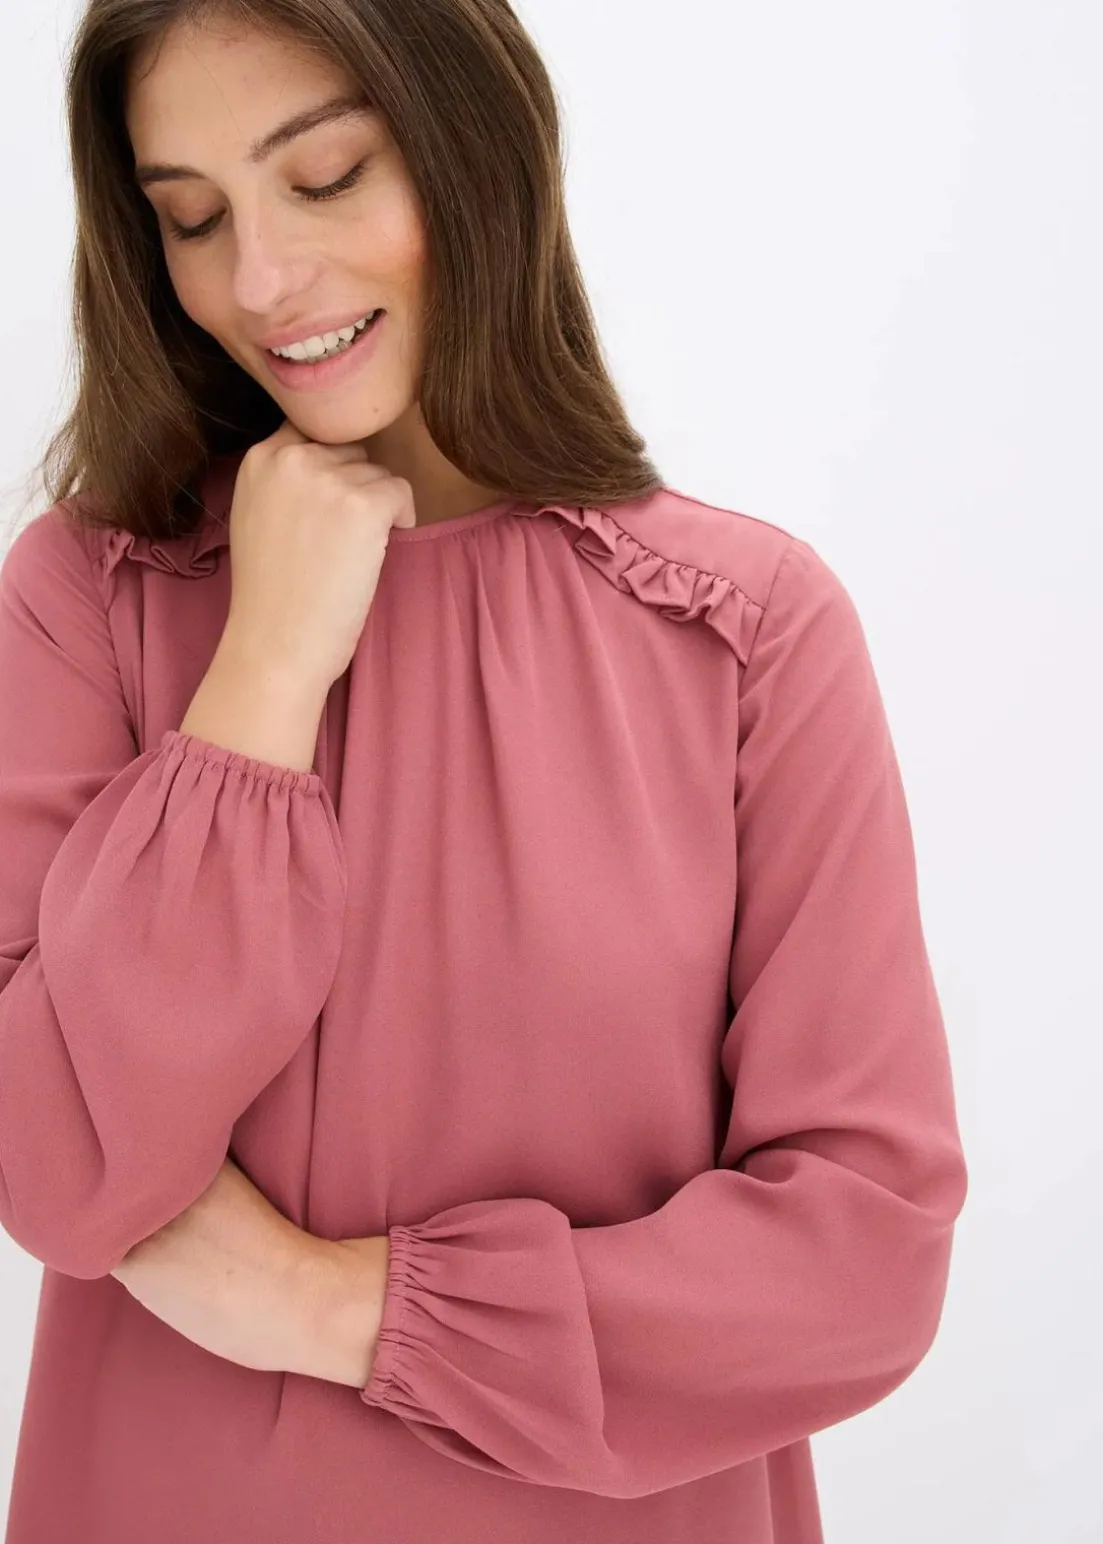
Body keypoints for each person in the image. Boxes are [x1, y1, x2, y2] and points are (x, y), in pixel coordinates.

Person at [0, 2, 969, 1541]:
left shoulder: (741, 631)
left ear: (475, 150)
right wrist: (263, 674)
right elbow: (58, 1171)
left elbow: (861, 1261)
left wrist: (333, 1306)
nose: (259, 281)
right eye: (191, 217)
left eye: (324, 178)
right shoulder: (89, 601)